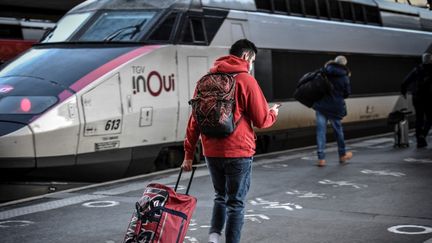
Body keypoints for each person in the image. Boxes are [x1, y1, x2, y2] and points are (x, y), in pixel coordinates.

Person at [181, 39, 279, 243]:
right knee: (236, 203)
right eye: (252, 61)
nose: (251, 65)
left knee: (220, 195)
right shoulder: (245, 80)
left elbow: (194, 121)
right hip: (238, 151)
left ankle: (214, 236)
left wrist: (188, 155)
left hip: (211, 152)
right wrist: (273, 113)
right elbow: (261, 120)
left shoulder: (205, 80)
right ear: (246, 57)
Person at [313, 55, 353, 167]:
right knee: (338, 131)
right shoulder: (344, 77)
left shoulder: (325, 71)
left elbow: (316, 86)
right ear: (344, 64)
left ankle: (321, 159)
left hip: (321, 106)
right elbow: (347, 93)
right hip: (335, 108)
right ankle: (342, 155)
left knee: (321, 132)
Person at [401, 52, 432, 148]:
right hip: (429, 98)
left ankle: (419, 140)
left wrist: (404, 92)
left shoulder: (417, 70)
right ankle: (423, 134)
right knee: (430, 118)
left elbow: (405, 82)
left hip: (417, 98)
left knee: (419, 118)